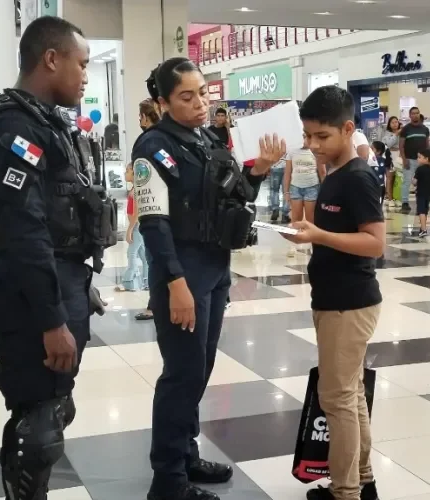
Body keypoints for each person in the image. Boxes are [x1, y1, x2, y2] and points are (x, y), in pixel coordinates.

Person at [0, 17, 115, 500]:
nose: (86, 75)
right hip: (30, 295)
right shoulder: (14, 127)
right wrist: (51, 319)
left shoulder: (47, 122)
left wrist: (79, 281)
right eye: (82, 64)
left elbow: (59, 215)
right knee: (39, 424)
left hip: (58, 280)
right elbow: (23, 230)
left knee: (53, 405)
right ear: (51, 59)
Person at [133, 57, 281, 500]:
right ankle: (168, 480)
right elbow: (154, 224)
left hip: (214, 268)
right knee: (182, 375)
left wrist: (259, 169)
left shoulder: (208, 139)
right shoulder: (152, 147)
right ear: (163, 103)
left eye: (202, 93)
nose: (200, 103)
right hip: (181, 272)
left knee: (200, 370)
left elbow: (235, 195)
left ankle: (186, 454)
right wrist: (175, 283)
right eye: (186, 96)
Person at [283, 85, 385, 500]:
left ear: (347, 129)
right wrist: (307, 234)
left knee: (337, 399)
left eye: (322, 136)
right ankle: (363, 480)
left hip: (349, 302)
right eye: (308, 136)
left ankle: (346, 493)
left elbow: (375, 243)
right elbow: (332, 233)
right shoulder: (335, 174)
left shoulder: (357, 178)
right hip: (334, 299)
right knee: (350, 394)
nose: (313, 145)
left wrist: (320, 235)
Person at [136, 98, 162, 321]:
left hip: (154, 211)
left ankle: (154, 305)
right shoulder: (169, 138)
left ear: (145, 117)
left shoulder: (146, 142)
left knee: (155, 260)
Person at [284, 133, 325, 256]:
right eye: (303, 137)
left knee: (310, 219)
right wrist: (286, 191)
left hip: (312, 187)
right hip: (295, 187)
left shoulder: (316, 151)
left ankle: (314, 246)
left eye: (307, 137)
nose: (305, 140)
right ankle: (293, 246)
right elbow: (287, 173)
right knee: (296, 218)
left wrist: (325, 190)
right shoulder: (292, 151)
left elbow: (322, 172)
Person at [117, 161, 149, 292]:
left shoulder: (136, 191)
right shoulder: (135, 189)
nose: (125, 174)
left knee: (131, 253)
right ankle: (147, 282)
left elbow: (136, 212)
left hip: (136, 226)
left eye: (127, 171)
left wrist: (130, 229)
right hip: (137, 226)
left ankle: (130, 282)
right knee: (143, 256)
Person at [398, 107, 430, 214]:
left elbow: (427, 145)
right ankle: (405, 203)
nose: (415, 115)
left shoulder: (425, 129)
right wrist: (404, 159)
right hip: (409, 160)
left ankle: (421, 203)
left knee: (422, 183)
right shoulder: (406, 129)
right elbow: (401, 145)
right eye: (413, 113)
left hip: (422, 161)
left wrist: (429, 158)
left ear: (419, 114)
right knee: (407, 182)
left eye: (417, 113)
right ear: (410, 115)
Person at [413, 149, 430, 237]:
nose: (417, 159)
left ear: (426, 159)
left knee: (421, 211)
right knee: (425, 210)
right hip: (429, 193)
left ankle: (423, 229)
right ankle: (423, 226)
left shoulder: (419, 169)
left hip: (421, 192)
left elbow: (415, 181)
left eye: (419, 157)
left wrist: (413, 181)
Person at [382, 116, 401, 207]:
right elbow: (389, 144)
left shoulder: (402, 133)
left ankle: (396, 197)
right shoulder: (386, 134)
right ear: (389, 124)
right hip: (390, 156)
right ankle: (389, 198)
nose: (395, 124)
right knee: (390, 178)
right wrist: (396, 134)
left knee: (398, 178)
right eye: (392, 122)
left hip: (399, 156)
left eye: (396, 122)